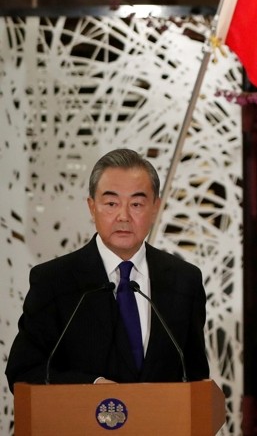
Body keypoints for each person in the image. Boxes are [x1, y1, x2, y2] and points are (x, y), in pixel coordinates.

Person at [5, 149, 210, 388]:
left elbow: (195, 379)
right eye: (111, 203)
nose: (123, 216)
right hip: (83, 423)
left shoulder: (185, 281)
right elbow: (24, 371)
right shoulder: (54, 281)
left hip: (161, 425)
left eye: (136, 204)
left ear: (155, 207)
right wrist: (92, 387)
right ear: (92, 207)